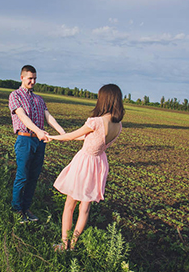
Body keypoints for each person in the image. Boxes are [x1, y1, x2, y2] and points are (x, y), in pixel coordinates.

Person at [47, 84, 125, 250]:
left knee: (69, 205)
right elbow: (90, 139)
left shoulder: (95, 121)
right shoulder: (118, 126)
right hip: (99, 164)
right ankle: (73, 245)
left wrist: (51, 137)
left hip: (85, 163)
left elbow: (73, 136)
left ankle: (64, 244)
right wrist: (65, 136)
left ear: (104, 99)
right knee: (85, 208)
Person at [9, 65, 65, 223]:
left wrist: (63, 133)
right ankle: (17, 210)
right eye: (30, 78)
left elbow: (49, 117)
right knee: (22, 176)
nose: (32, 81)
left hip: (39, 142)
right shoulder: (15, 95)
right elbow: (22, 116)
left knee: (33, 177)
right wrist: (38, 131)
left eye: (35, 79)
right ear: (22, 78)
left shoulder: (39, 99)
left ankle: (26, 208)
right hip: (25, 139)